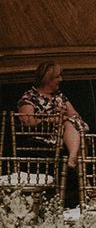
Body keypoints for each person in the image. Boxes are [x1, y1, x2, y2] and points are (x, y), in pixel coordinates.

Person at [17, 61, 89, 206]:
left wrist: (66, 117)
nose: (61, 80)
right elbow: (28, 122)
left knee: (72, 124)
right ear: (47, 79)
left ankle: (73, 158)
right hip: (41, 138)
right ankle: (85, 182)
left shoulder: (60, 96)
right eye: (58, 77)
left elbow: (75, 114)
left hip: (62, 136)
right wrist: (52, 119)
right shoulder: (29, 97)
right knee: (76, 132)